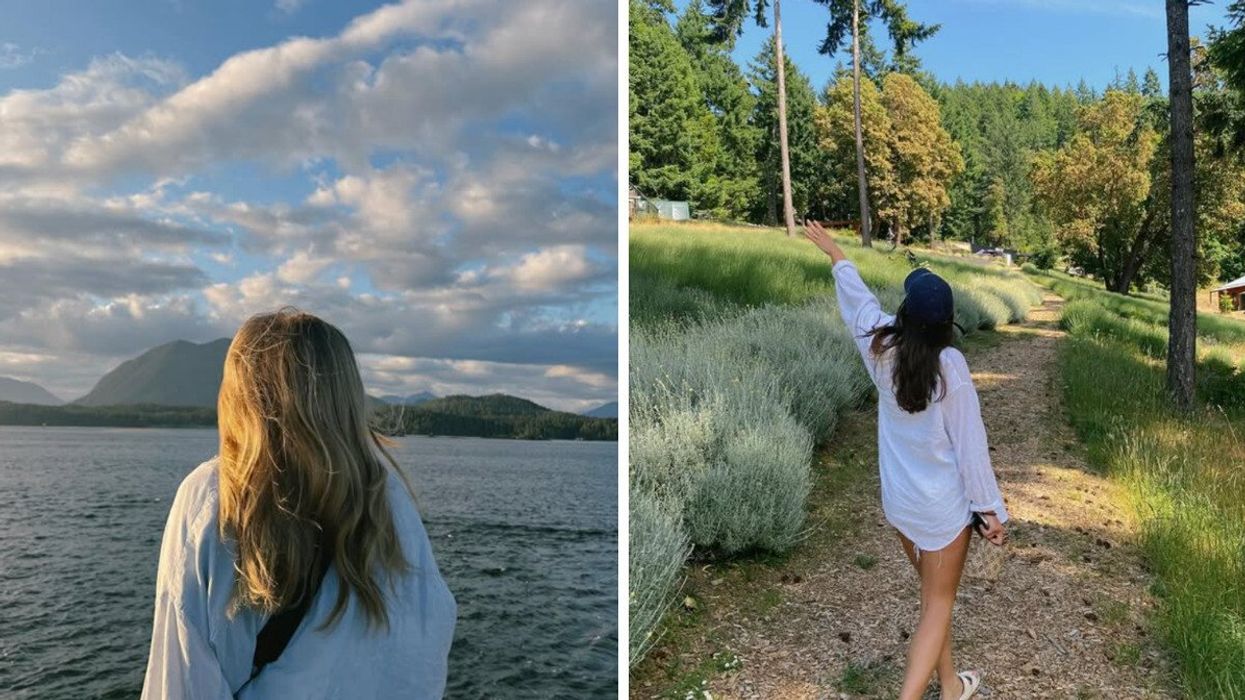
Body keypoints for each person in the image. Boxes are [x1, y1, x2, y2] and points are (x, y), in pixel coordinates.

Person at [141, 309, 456, 699]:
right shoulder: (390, 500)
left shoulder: (216, 497)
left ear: (240, 396)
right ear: (347, 397)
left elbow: (182, 681)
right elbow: (424, 655)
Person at [802, 221, 1009, 700]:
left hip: (900, 505)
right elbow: (970, 446)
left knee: (934, 602)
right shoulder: (950, 367)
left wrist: (837, 253)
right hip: (941, 512)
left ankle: (951, 685)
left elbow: (857, 303)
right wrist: (990, 510)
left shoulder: (880, 349)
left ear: (904, 315)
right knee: (937, 606)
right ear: (946, 325)